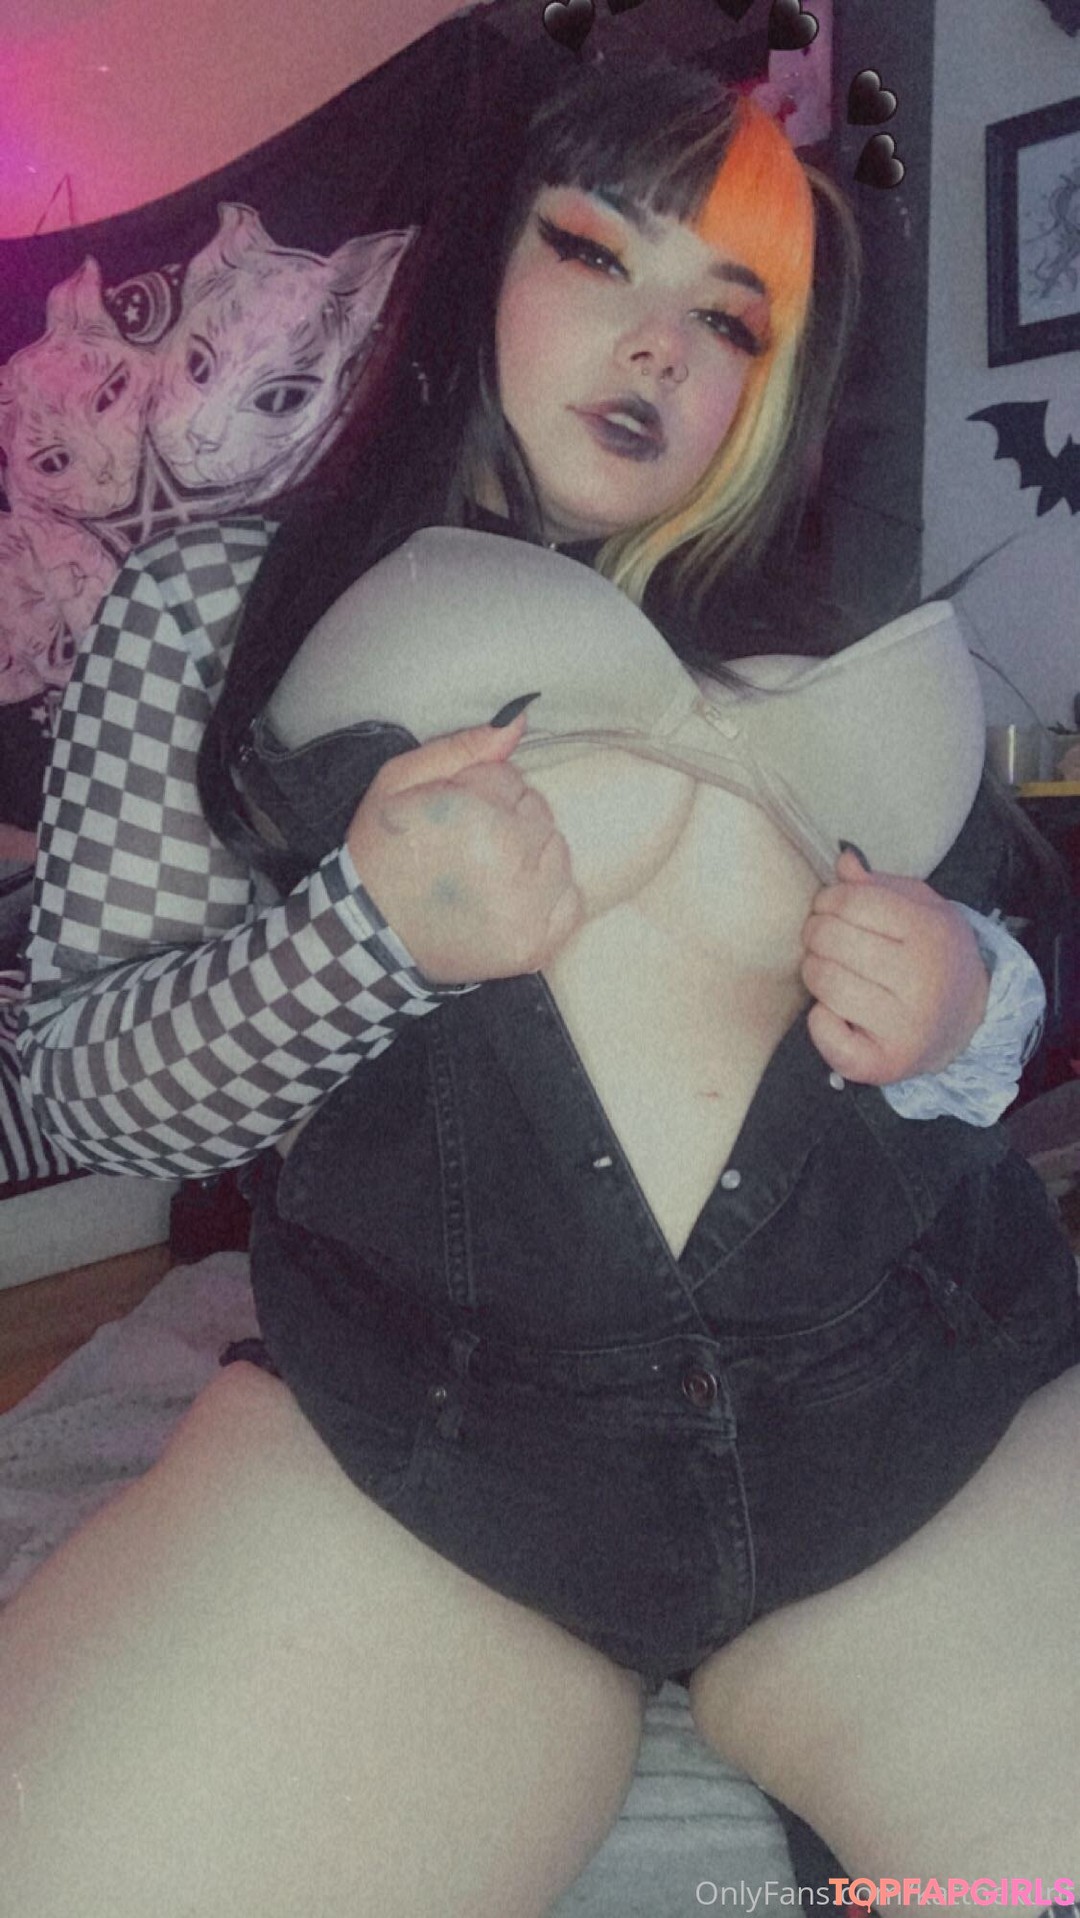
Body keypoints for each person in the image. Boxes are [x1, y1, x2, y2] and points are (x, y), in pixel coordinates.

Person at [4, 57, 1078, 1918]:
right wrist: (366, 936)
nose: (658, 347)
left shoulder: (821, 627)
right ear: (484, 256)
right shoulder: (210, 607)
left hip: (905, 1410)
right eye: (596, 252)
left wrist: (961, 1001)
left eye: (728, 319)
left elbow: (1013, 986)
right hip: (448, 1457)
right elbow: (73, 1086)